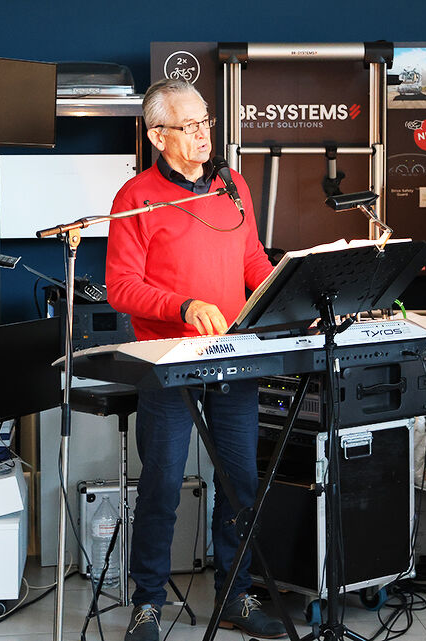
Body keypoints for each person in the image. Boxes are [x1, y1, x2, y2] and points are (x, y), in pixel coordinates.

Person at [105, 78, 286, 641]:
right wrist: (183, 304)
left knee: (241, 483)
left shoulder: (231, 185)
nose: (204, 135)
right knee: (161, 485)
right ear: (158, 135)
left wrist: (283, 288)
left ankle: (235, 596)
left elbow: (251, 258)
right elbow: (120, 288)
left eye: (207, 122)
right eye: (190, 126)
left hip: (232, 358)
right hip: (168, 361)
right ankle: (148, 604)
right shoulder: (134, 198)